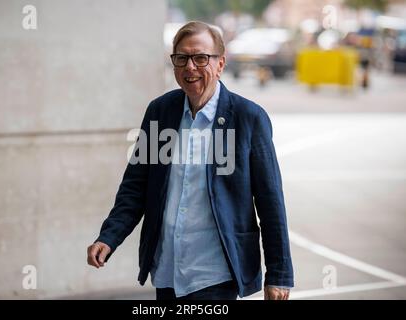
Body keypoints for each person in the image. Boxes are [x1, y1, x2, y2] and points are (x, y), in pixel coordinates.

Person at [87, 21, 294, 300]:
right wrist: (109, 236)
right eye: (181, 58)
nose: (190, 67)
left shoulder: (248, 118)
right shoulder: (161, 112)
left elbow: (270, 201)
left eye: (200, 58)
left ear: (220, 64)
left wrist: (279, 274)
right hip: (167, 270)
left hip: (217, 274)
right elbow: (136, 186)